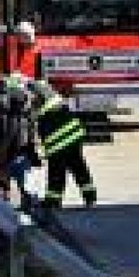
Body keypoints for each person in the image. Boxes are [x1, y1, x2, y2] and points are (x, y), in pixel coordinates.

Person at [30, 79, 95, 209]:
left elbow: (41, 129)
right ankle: (90, 196)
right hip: (74, 138)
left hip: (58, 144)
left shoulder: (43, 108)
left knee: (56, 172)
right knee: (78, 167)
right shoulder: (57, 101)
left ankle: (53, 201)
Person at [0, 74, 40, 203]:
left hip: (9, 156)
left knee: (5, 189)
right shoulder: (25, 112)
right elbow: (31, 134)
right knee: (24, 188)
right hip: (20, 154)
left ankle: (6, 209)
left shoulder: (6, 113)